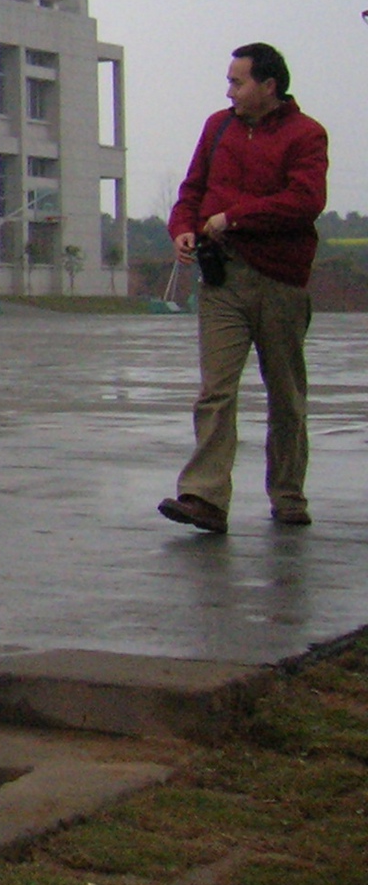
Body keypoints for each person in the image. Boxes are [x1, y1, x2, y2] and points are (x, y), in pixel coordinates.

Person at [158, 43, 329, 534]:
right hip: (223, 280)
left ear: (269, 86)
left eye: (238, 82)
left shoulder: (306, 134)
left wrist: (234, 217)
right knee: (215, 391)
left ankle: (288, 494)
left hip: (280, 281)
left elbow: (305, 200)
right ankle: (204, 497)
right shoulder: (218, 127)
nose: (229, 91)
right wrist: (182, 229)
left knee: (286, 394)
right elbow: (192, 190)